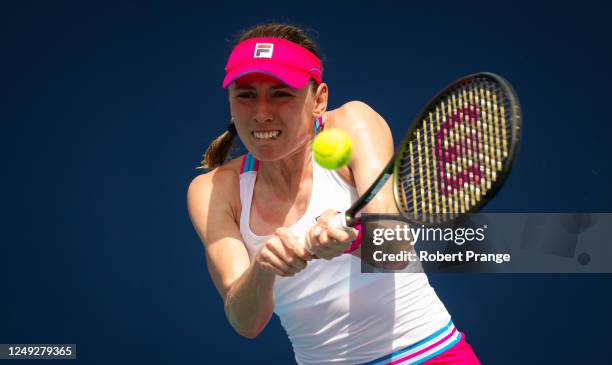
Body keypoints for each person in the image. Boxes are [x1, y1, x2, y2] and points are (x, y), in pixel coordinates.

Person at [187, 23, 481, 365]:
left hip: (429, 354)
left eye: (281, 93)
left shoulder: (353, 122)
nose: (262, 112)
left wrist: (352, 240)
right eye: (246, 94)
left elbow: (395, 249)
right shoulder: (211, 190)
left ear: (319, 99)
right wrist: (264, 267)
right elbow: (246, 322)